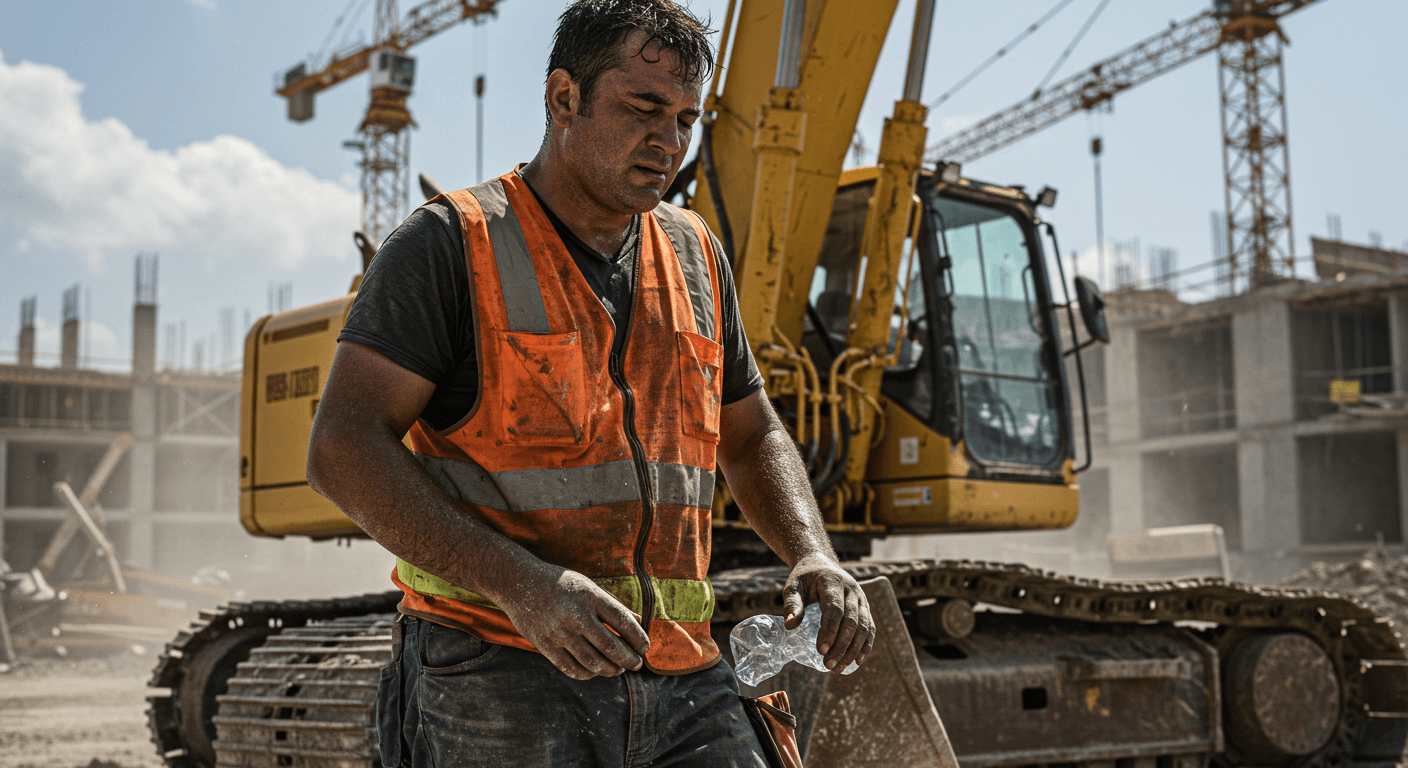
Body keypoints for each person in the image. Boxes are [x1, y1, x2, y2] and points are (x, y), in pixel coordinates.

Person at [306, 1, 875, 765]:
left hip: (683, 673)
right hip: (498, 665)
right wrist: (525, 587)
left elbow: (751, 433)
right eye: (643, 109)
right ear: (563, 97)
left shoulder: (697, 254)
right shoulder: (451, 243)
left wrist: (811, 553)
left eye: (685, 119)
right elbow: (342, 448)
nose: (668, 141)